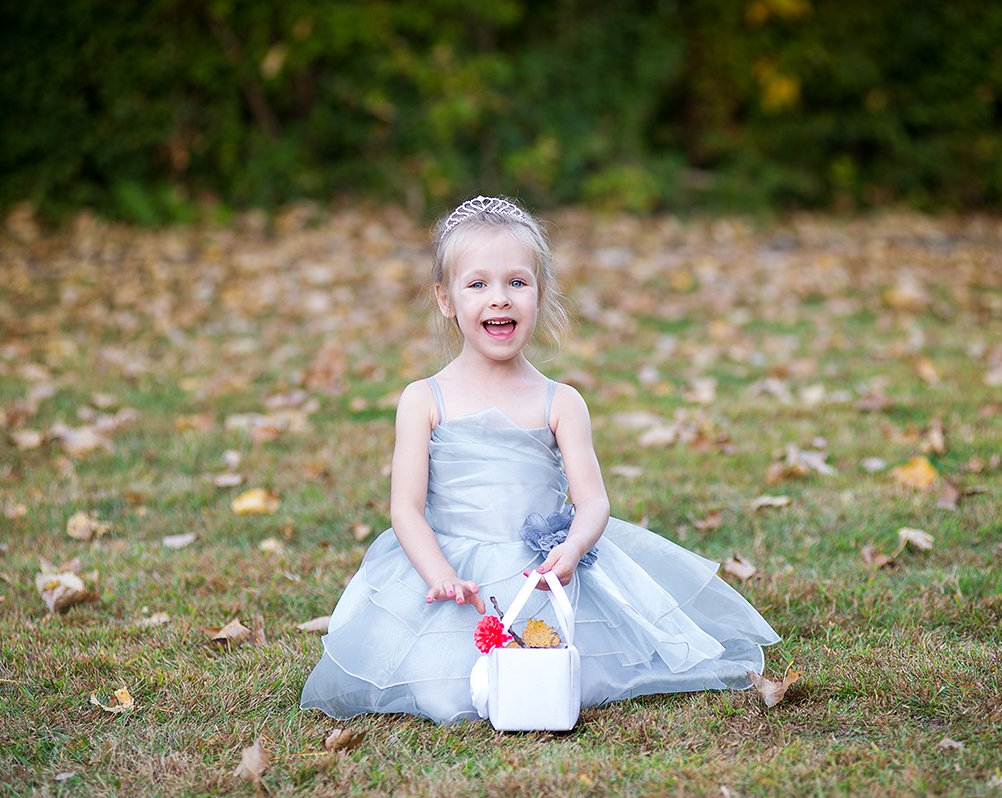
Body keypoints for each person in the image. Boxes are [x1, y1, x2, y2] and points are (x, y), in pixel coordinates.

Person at [300, 196, 780, 724]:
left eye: (517, 283)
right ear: (445, 299)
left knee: (579, 673)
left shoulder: (560, 401)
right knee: (443, 690)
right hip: (455, 571)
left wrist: (572, 549)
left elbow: (593, 501)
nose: (499, 299)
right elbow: (406, 510)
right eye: (477, 284)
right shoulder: (424, 399)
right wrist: (440, 575)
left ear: (539, 293)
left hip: (541, 571)